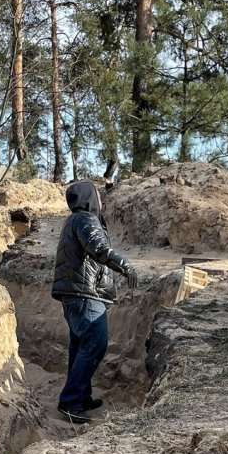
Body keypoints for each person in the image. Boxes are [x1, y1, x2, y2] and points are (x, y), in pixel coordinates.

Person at [51, 180, 138, 424]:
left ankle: (81, 397)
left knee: (80, 347)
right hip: (85, 295)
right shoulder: (85, 219)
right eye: (97, 195)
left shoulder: (75, 221)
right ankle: (70, 402)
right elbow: (97, 247)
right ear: (89, 198)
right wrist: (125, 266)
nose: (100, 199)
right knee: (95, 345)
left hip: (77, 294)